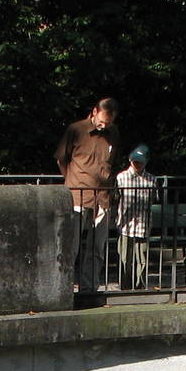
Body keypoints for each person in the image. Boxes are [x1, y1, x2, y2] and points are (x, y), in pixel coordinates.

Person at [54, 98, 121, 291]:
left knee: (97, 248)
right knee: (71, 246)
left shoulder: (113, 133)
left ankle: (89, 288)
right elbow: (61, 160)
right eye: (102, 121)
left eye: (108, 123)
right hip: (78, 195)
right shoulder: (76, 129)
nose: (104, 125)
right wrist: (72, 182)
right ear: (94, 112)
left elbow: (112, 161)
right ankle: (64, 289)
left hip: (103, 197)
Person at [114, 144, 155, 290]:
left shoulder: (151, 179)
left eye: (140, 161)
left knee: (142, 259)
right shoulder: (121, 177)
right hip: (125, 224)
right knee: (125, 258)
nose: (137, 164)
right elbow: (116, 199)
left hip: (143, 224)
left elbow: (152, 201)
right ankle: (125, 286)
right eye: (135, 161)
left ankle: (140, 286)